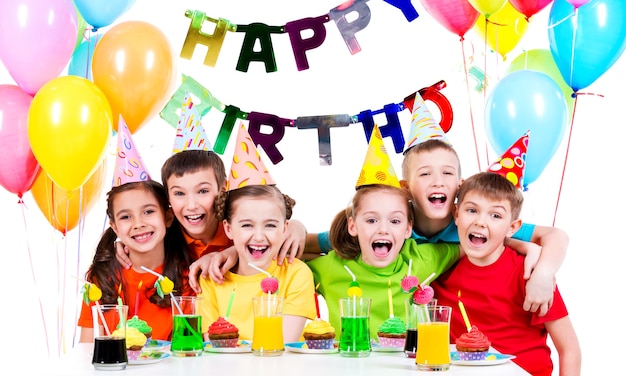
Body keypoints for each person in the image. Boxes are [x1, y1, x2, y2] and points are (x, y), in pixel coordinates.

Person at [305, 98, 569, 316]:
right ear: (405, 187)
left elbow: (554, 236)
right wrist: (293, 227)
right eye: (425, 174)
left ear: (460, 184)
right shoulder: (385, 225)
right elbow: (313, 244)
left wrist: (542, 270)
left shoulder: (471, 221)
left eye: (446, 173)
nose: (438, 182)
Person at [115, 95, 308, 293]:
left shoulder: (242, 223)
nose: (191, 205)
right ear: (168, 198)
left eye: (203, 191)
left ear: (223, 188)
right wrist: (123, 245)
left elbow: (292, 244)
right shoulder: (164, 235)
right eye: (179, 193)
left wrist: (296, 227)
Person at [431, 172, 581, 376]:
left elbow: (569, 350)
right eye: (472, 210)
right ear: (456, 214)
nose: (480, 222)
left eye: (495, 215)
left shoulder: (529, 273)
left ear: (512, 227)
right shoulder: (440, 269)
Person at [197, 125, 316, 342]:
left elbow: (283, 343)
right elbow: (212, 348)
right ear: (228, 229)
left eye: (270, 225)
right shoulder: (212, 280)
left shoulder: (296, 275)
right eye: (247, 225)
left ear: (284, 229)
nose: (259, 236)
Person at [78, 179, 193, 342]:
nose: (138, 224)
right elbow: (87, 349)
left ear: (168, 217)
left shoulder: (189, 277)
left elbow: (191, 351)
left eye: (148, 212)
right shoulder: (101, 278)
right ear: (115, 227)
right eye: (126, 216)